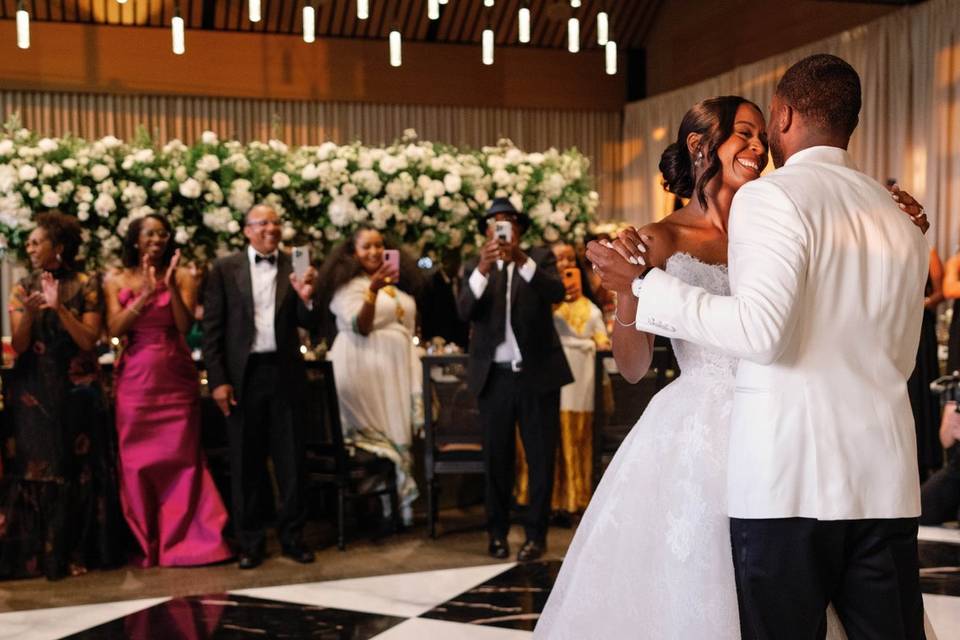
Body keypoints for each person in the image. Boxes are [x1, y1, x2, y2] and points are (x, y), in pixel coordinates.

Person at [538, 56, 933, 640]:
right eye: (742, 134)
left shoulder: (784, 204)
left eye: (761, 131)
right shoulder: (659, 237)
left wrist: (650, 287)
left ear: (785, 117)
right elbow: (631, 365)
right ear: (701, 145)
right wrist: (629, 292)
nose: (759, 145)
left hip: (785, 450)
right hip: (711, 439)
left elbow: (774, 326)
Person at [0, 211, 123, 580]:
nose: (30, 247)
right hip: (32, 391)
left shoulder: (88, 283)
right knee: (38, 468)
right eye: (30, 242)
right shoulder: (22, 286)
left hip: (77, 392)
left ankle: (76, 552)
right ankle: (38, 556)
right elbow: (19, 346)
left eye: (38, 241)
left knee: (75, 470)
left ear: (59, 246)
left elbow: (89, 339)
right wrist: (30, 315)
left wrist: (59, 309)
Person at [104, 213, 232, 567]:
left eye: (162, 234)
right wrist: (145, 293)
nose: (157, 240)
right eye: (149, 234)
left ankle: (189, 540)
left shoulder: (185, 274)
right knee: (138, 460)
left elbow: (184, 324)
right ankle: (148, 540)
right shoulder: (116, 278)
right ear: (135, 240)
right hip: (136, 378)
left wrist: (170, 285)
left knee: (183, 459)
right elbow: (114, 328)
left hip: (174, 375)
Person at [202, 204, 320, 570]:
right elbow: (212, 331)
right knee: (244, 461)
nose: (271, 228)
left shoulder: (297, 262)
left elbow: (311, 322)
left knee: (291, 460)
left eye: (275, 222)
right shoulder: (225, 268)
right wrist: (218, 381)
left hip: (284, 371)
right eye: (262, 223)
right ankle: (250, 541)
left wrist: (307, 297)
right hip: (243, 375)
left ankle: (293, 537)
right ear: (247, 230)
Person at [457, 197, 573, 562]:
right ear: (487, 232)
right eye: (495, 223)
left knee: (540, 459)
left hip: (537, 376)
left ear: (519, 230)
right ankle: (497, 534)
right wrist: (483, 268)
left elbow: (557, 293)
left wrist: (521, 260)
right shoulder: (474, 268)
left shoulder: (538, 258)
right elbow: (463, 311)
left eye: (508, 221)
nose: (501, 227)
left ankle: (535, 536)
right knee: (497, 460)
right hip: (495, 379)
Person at [318, 226, 422, 525]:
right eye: (366, 247)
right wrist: (373, 291)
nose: (375, 252)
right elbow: (361, 326)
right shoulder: (348, 287)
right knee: (374, 442)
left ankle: (396, 507)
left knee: (395, 432)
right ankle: (375, 509)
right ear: (353, 253)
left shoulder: (396, 286)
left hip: (392, 372)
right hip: (362, 370)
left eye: (379, 246)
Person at [515, 242, 609, 517]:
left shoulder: (589, 307)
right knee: (542, 439)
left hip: (580, 376)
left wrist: (600, 342)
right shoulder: (543, 299)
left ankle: (573, 496)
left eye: (570, 259)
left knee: (575, 435)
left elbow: (600, 333)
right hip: (545, 373)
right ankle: (541, 499)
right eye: (559, 260)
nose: (566, 266)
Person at [909, 247, 944, 480]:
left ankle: (926, 459)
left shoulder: (929, 251)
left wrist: (923, 303)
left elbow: (940, 293)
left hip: (922, 327)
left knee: (922, 390)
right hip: (901, 324)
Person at [418, 251, 469, 349]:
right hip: (439, 338)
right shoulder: (432, 283)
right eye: (453, 261)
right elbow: (426, 312)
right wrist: (429, 338)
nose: (456, 265)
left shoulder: (461, 282)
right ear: (445, 262)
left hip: (461, 340)